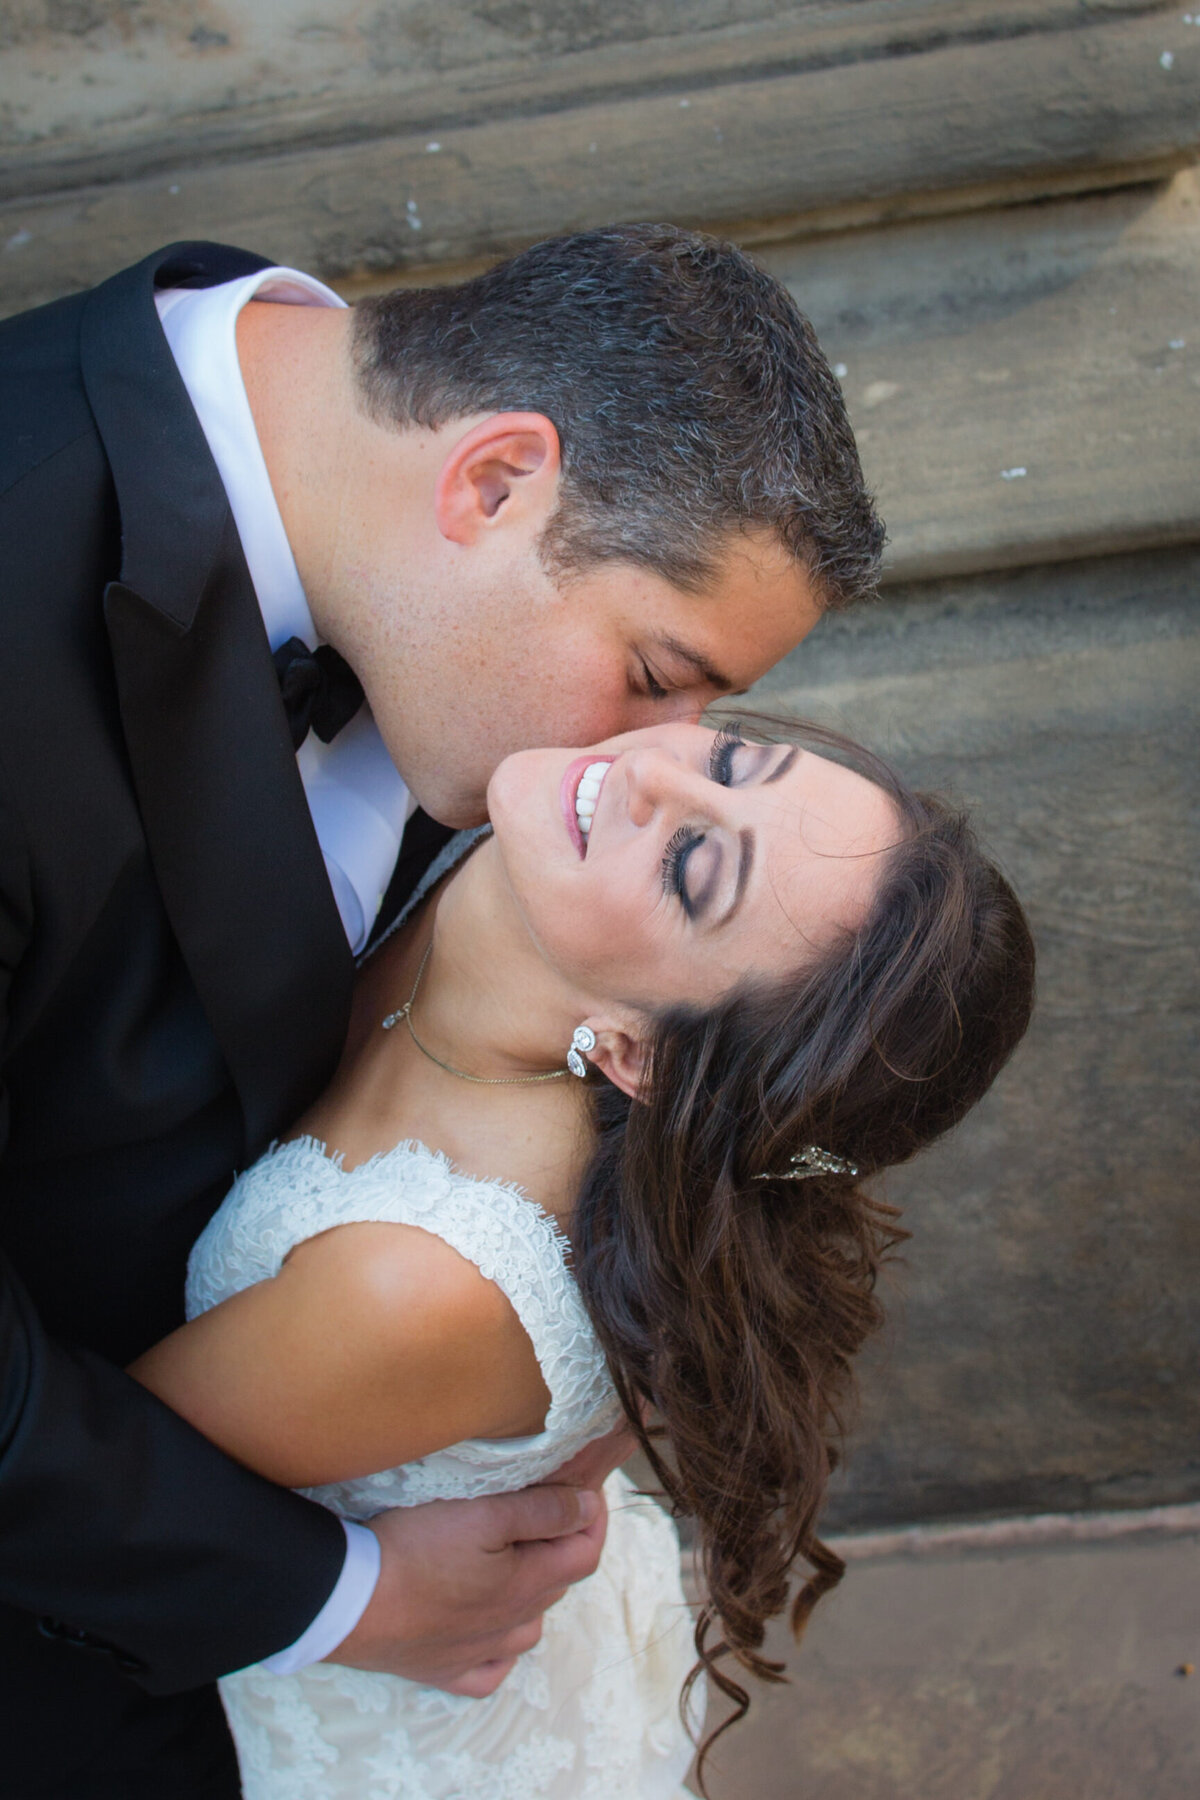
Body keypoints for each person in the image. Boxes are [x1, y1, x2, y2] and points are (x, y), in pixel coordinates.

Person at [0, 225, 884, 1795]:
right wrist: (336, 1591)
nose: (656, 756)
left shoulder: (395, 543)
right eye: (655, 672)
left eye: (713, 719)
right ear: (492, 483)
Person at [128, 715, 1036, 1798]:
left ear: (634, 1054)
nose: (653, 768)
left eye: (694, 866)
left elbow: (89, 1490)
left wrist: (361, 1592)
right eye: (734, 760)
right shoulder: (531, 852)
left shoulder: (423, 1285)